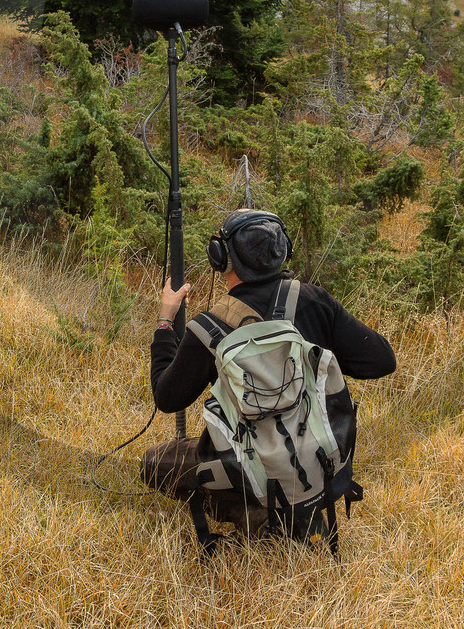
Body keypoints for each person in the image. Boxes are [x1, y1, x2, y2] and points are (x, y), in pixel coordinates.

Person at [141, 209, 396, 543]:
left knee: (152, 463)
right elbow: (382, 361)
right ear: (283, 252)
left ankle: (252, 511)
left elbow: (166, 396)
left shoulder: (208, 328)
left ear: (221, 258)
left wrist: (165, 320)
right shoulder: (314, 301)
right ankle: (295, 508)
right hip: (320, 467)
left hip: (247, 471)